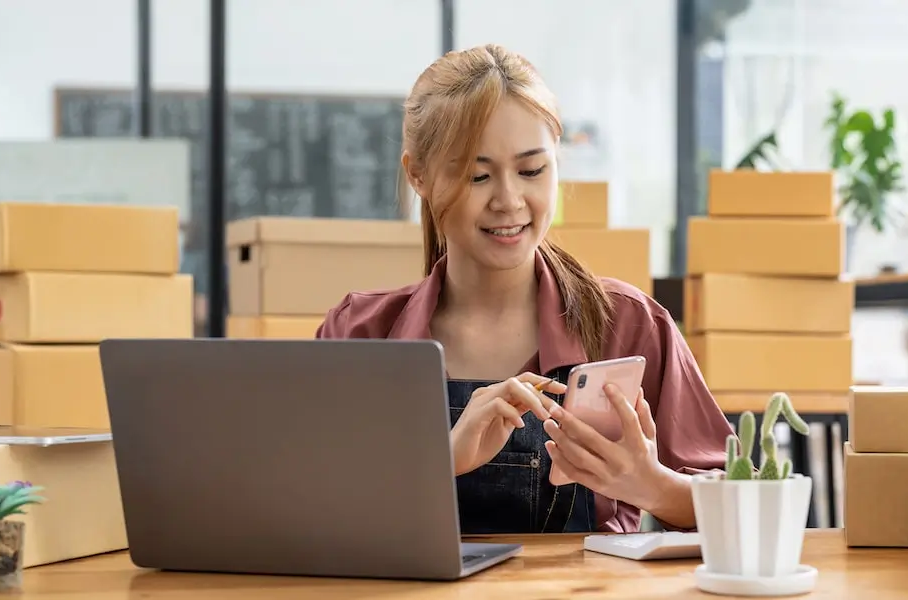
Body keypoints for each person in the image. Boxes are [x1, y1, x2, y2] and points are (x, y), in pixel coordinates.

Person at [315, 44, 734, 535]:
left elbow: (744, 507)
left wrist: (652, 486)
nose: (509, 201)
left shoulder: (629, 325)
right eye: (477, 175)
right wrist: (439, 463)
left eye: (532, 170)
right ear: (417, 175)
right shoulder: (359, 335)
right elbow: (307, 510)